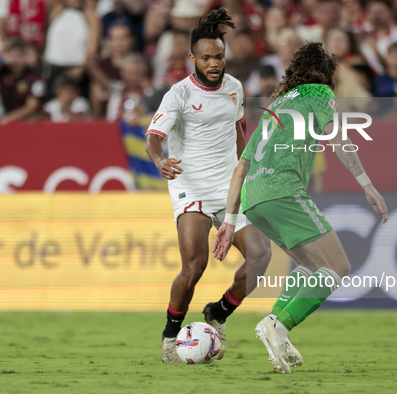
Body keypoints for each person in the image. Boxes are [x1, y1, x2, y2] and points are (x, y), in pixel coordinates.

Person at [212, 42, 388, 374]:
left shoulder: (276, 105)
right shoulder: (320, 93)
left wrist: (230, 221)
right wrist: (366, 183)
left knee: (309, 266)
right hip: (283, 191)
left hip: (255, 200)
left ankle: (276, 327)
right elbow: (337, 138)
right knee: (338, 267)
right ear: (326, 73)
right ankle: (277, 325)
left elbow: (240, 168)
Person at [144, 8, 269, 364]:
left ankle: (218, 311)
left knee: (261, 258)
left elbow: (238, 128)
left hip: (229, 185)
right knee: (195, 266)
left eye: (219, 56)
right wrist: (159, 160)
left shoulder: (235, 88)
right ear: (192, 58)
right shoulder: (179, 94)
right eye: (206, 58)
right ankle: (171, 335)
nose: (214, 63)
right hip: (192, 184)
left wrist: (248, 167)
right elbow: (154, 136)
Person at [0, 40, 45, 124]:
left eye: (19, 56)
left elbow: (33, 105)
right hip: (3, 119)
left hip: (25, 123)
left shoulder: (35, 78)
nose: (15, 60)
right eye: (12, 56)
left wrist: (11, 117)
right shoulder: (1, 72)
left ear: (25, 57)